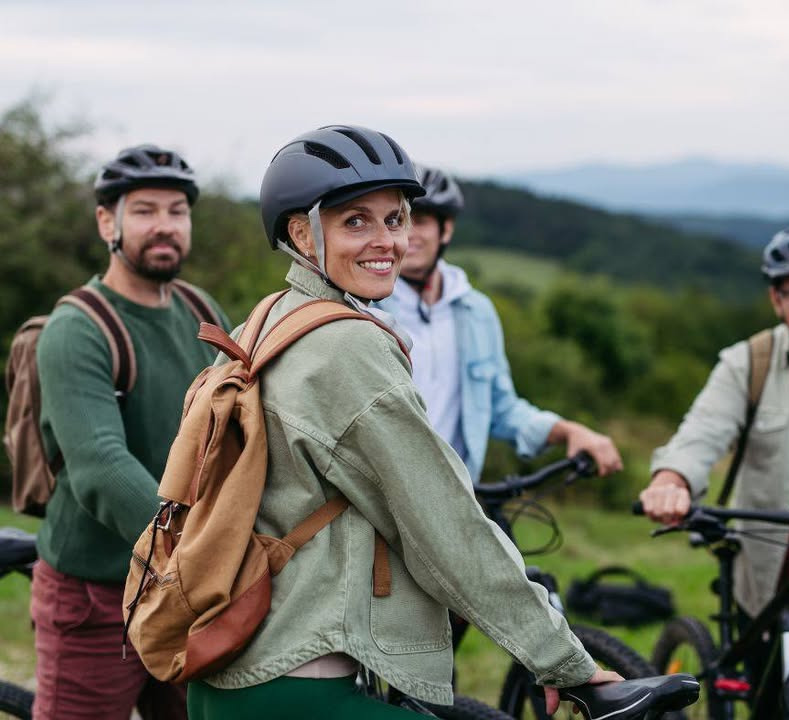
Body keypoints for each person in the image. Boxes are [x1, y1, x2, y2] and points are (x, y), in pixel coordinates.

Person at [186, 126, 620, 720]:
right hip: (300, 685)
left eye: (395, 219)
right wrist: (564, 662)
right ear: (301, 234)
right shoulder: (347, 347)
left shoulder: (265, 321)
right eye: (355, 221)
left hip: (231, 672)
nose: (387, 241)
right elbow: (444, 524)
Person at [31, 144, 231, 720]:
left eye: (177, 210)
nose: (164, 225)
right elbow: (101, 466)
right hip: (96, 596)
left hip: (189, 594)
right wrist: (203, 553)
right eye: (144, 211)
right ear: (107, 223)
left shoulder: (199, 310)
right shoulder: (78, 328)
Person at [639, 222, 789, 691]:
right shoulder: (748, 362)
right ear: (776, 299)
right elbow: (702, 431)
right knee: (770, 696)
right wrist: (672, 480)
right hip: (771, 583)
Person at [376, 165, 623, 483]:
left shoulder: (477, 312)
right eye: (398, 221)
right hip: (386, 492)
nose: (409, 234)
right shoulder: (366, 309)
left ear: (446, 229)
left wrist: (568, 430)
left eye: (420, 220)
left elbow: (500, 408)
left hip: (458, 494)